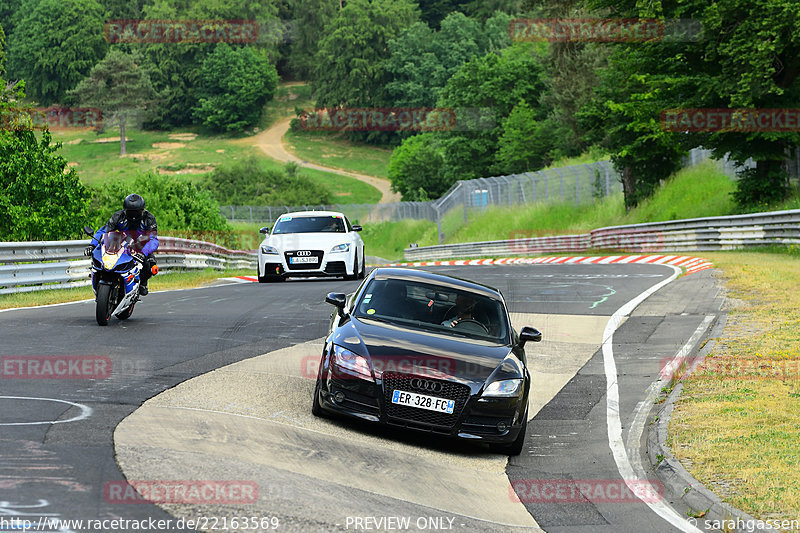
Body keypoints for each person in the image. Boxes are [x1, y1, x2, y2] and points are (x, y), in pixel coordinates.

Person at [85, 194, 159, 295]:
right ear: (125, 210)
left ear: (142, 210)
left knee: (150, 265)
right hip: (120, 244)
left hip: (141, 246)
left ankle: (142, 283)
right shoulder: (118, 216)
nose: (133, 216)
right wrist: (92, 245)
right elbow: (105, 230)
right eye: (130, 212)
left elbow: (153, 239)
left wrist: (143, 252)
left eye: (136, 212)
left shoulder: (149, 219)